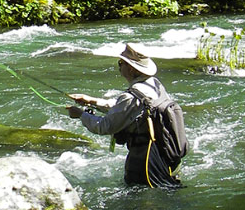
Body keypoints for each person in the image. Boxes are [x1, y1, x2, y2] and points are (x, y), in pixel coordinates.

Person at [66, 43, 183, 188]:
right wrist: (93, 101)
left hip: (145, 162)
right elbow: (126, 108)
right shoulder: (154, 84)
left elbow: (104, 126)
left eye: (120, 63)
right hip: (167, 155)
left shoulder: (132, 97)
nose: (119, 67)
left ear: (131, 68)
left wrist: (80, 115)